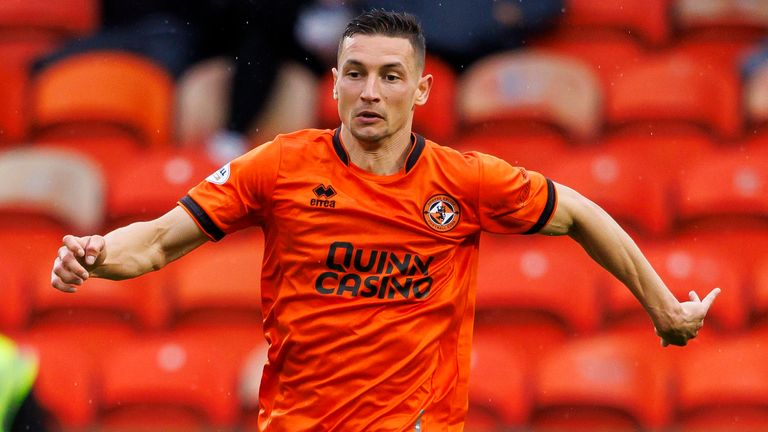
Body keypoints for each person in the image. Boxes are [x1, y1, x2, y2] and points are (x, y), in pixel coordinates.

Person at [51, 10, 720, 431]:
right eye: (357, 74)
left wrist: (662, 308)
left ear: (422, 88)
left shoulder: (463, 182)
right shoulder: (280, 166)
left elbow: (577, 212)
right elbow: (159, 242)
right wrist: (96, 252)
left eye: (391, 76)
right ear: (334, 83)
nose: (372, 91)